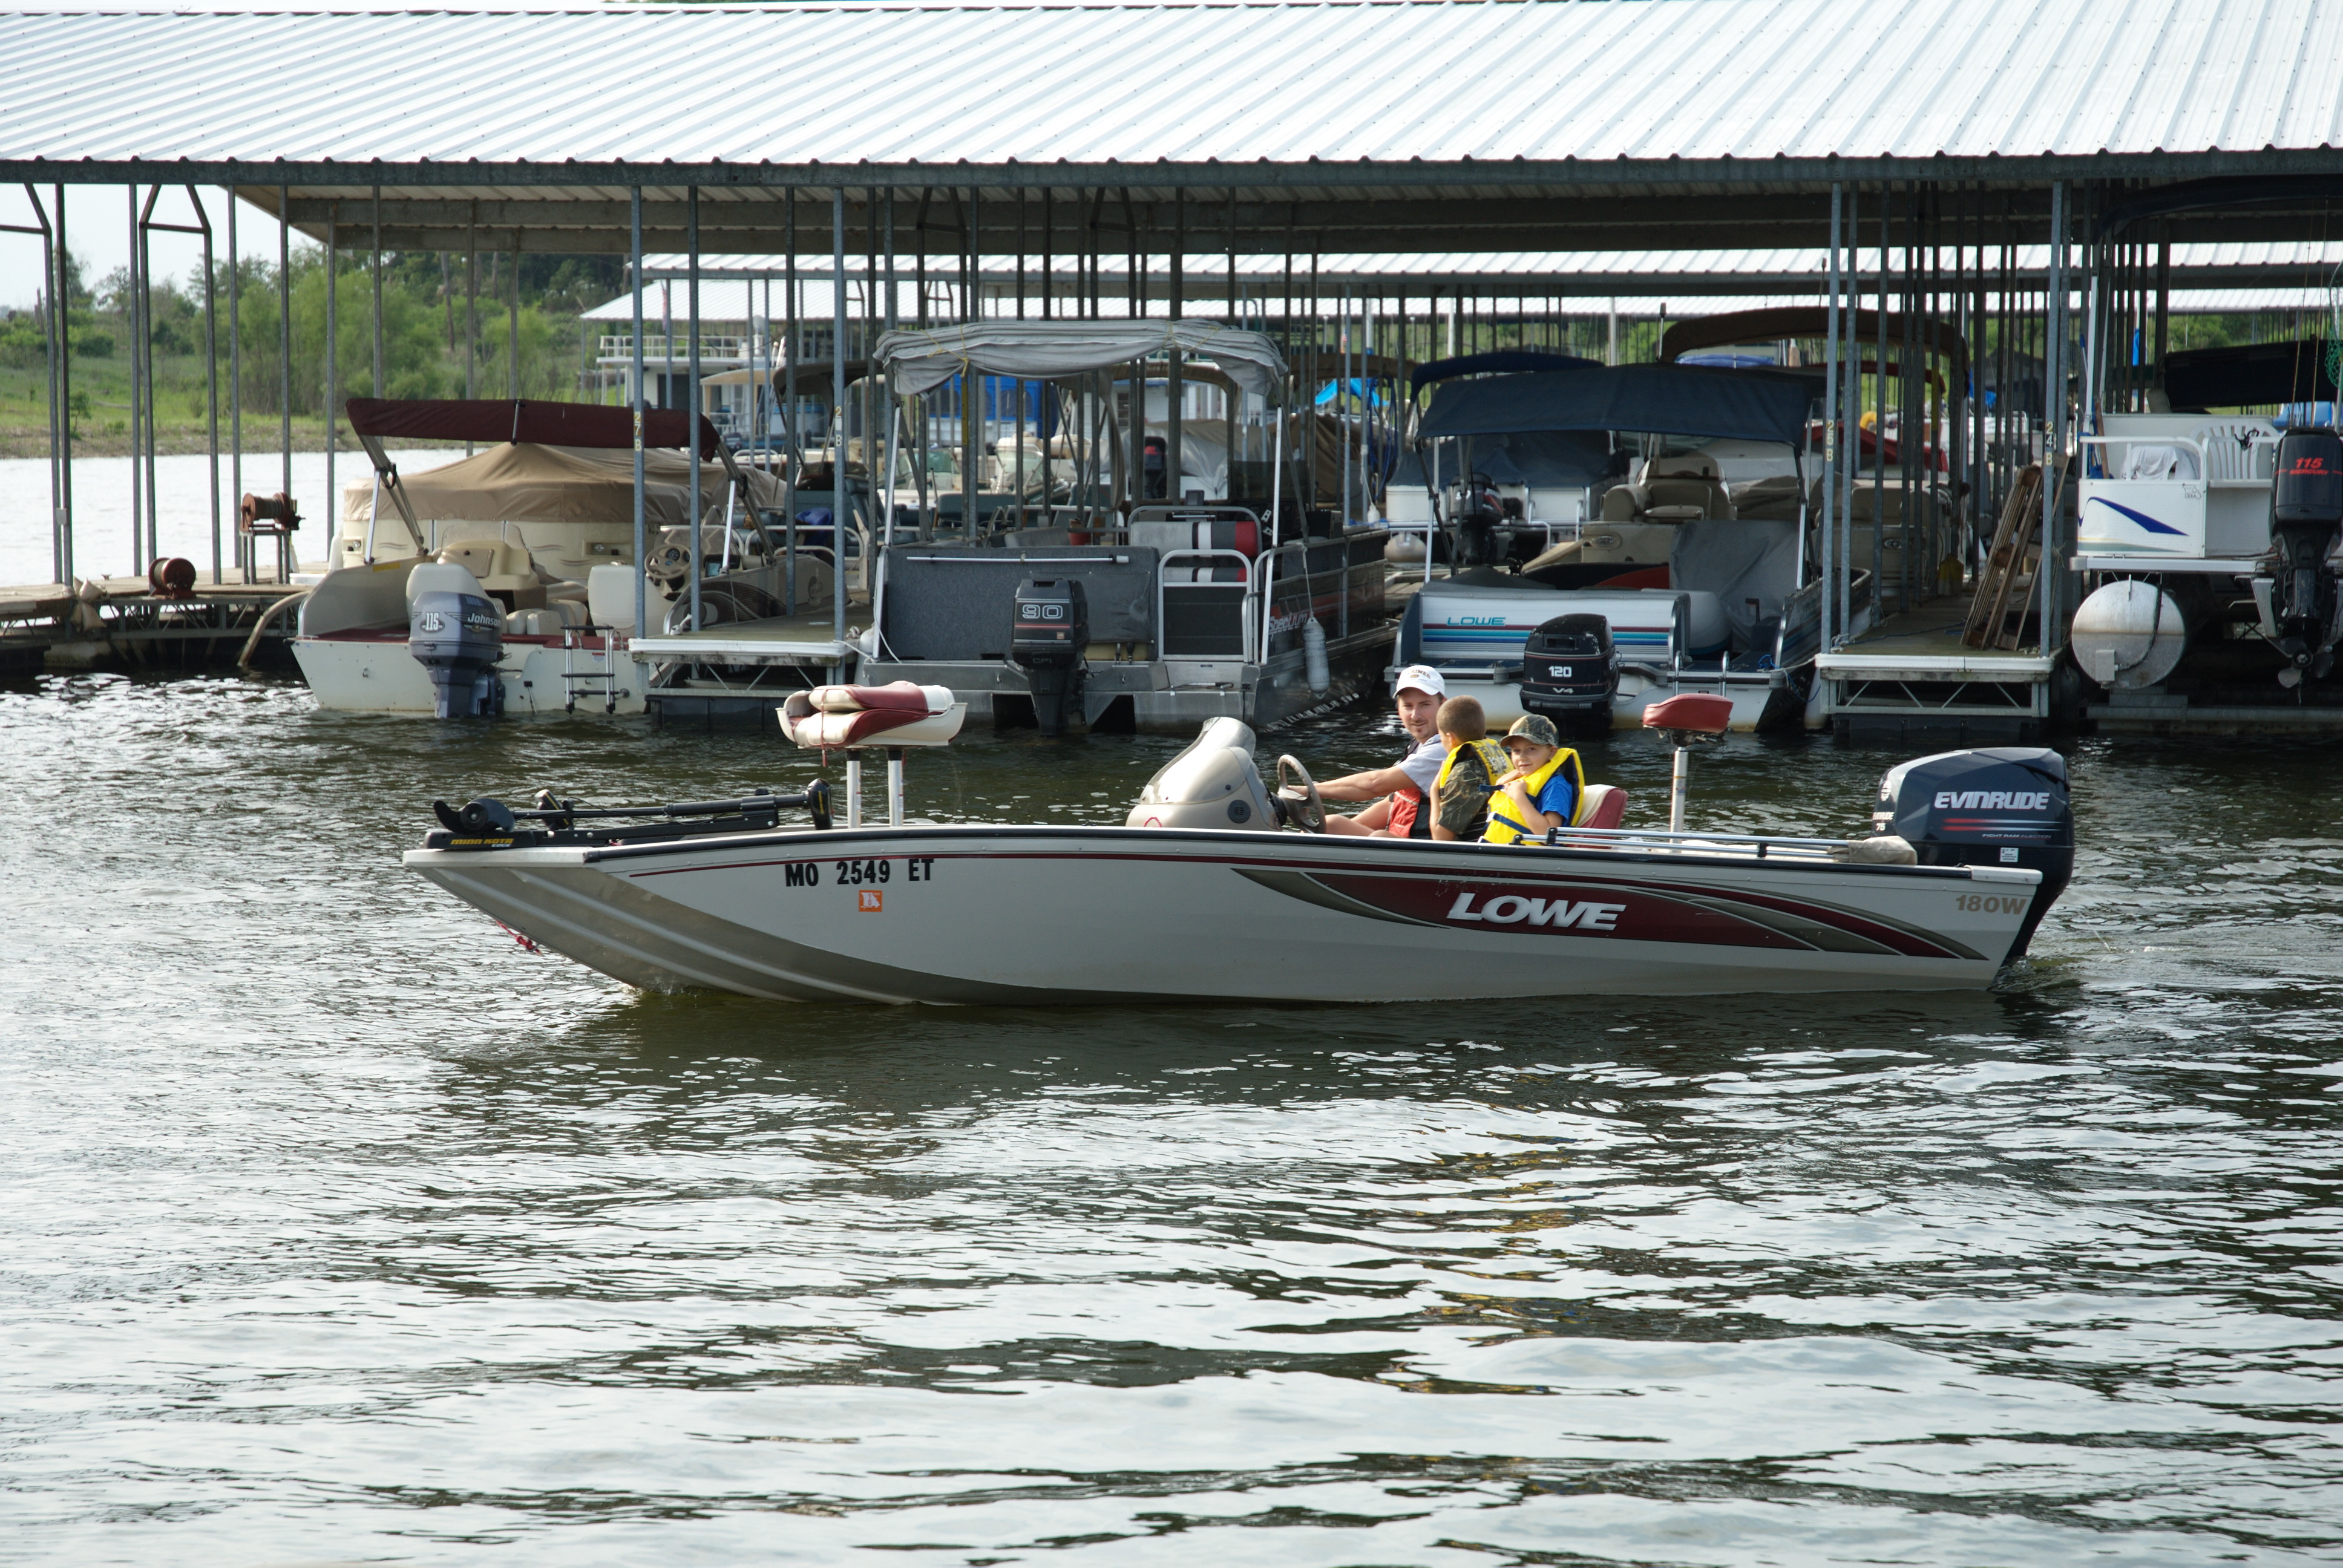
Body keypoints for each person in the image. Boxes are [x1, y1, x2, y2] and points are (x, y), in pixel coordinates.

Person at [1319, 665, 1447, 838]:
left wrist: (1307, 790)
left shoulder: (1442, 749)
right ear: (1399, 710)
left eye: (1425, 705)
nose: (1416, 715)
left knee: (1378, 838)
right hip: (1410, 847)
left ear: (1444, 705)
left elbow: (1374, 785)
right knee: (1328, 827)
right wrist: (1341, 833)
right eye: (1408, 706)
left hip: (1436, 855)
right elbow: (1394, 802)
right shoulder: (1419, 745)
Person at [1484, 713, 1587, 844]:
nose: (1522, 757)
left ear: (1552, 752)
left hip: (1529, 859)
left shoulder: (1556, 786)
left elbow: (1548, 834)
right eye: (1516, 751)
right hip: (1501, 853)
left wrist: (1519, 796)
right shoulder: (1521, 780)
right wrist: (1500, 785)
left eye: (1531, 749)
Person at [1428, 695, 1509, 840]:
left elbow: (1441, 838)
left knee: (1380, 835)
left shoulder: (1465, 773)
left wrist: (1434, 791)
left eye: (1441, 738)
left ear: (1451, 738)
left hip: (1479, 853)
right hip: (1504, 842)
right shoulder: (1497, 758)